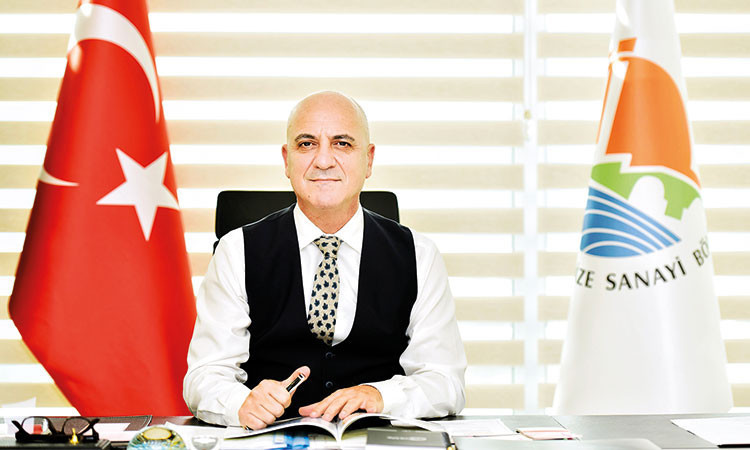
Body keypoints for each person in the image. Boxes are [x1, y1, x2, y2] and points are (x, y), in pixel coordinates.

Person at [183, 91, 466, 429]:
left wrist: (381, 396)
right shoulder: (236, 251)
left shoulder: (419, 255)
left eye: (342, 144)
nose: (323, 160)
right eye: (307, 144)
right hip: (270, 442)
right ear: (287, 160)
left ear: (369, 160)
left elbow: (445, 381)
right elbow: (204, 375)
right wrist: (240, 403)